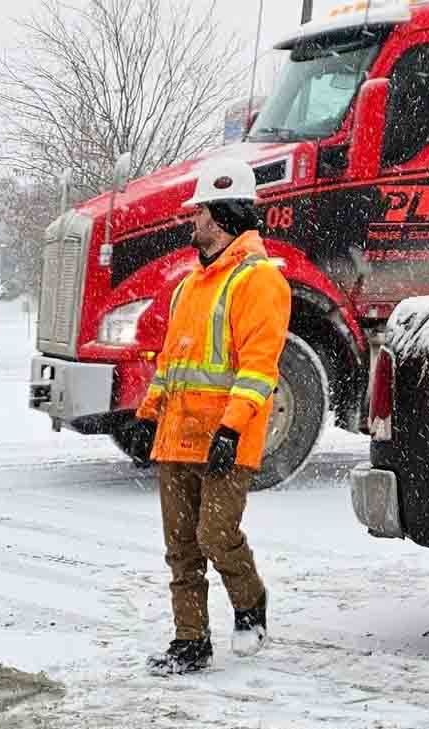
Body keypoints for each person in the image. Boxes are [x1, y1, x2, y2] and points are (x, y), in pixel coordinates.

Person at [136, 155, 293, 676]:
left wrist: (229, 430)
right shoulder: (189, 285)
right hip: (177, 437)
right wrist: (148, 413)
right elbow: (174, 362)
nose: (193, 219)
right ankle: (190, 642)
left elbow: (258, 370)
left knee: (214, 535)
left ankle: (250, 602)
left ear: (222, 215)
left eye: (200, 210)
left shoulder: (260, 281)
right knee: (180, 548)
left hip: (226, 438)